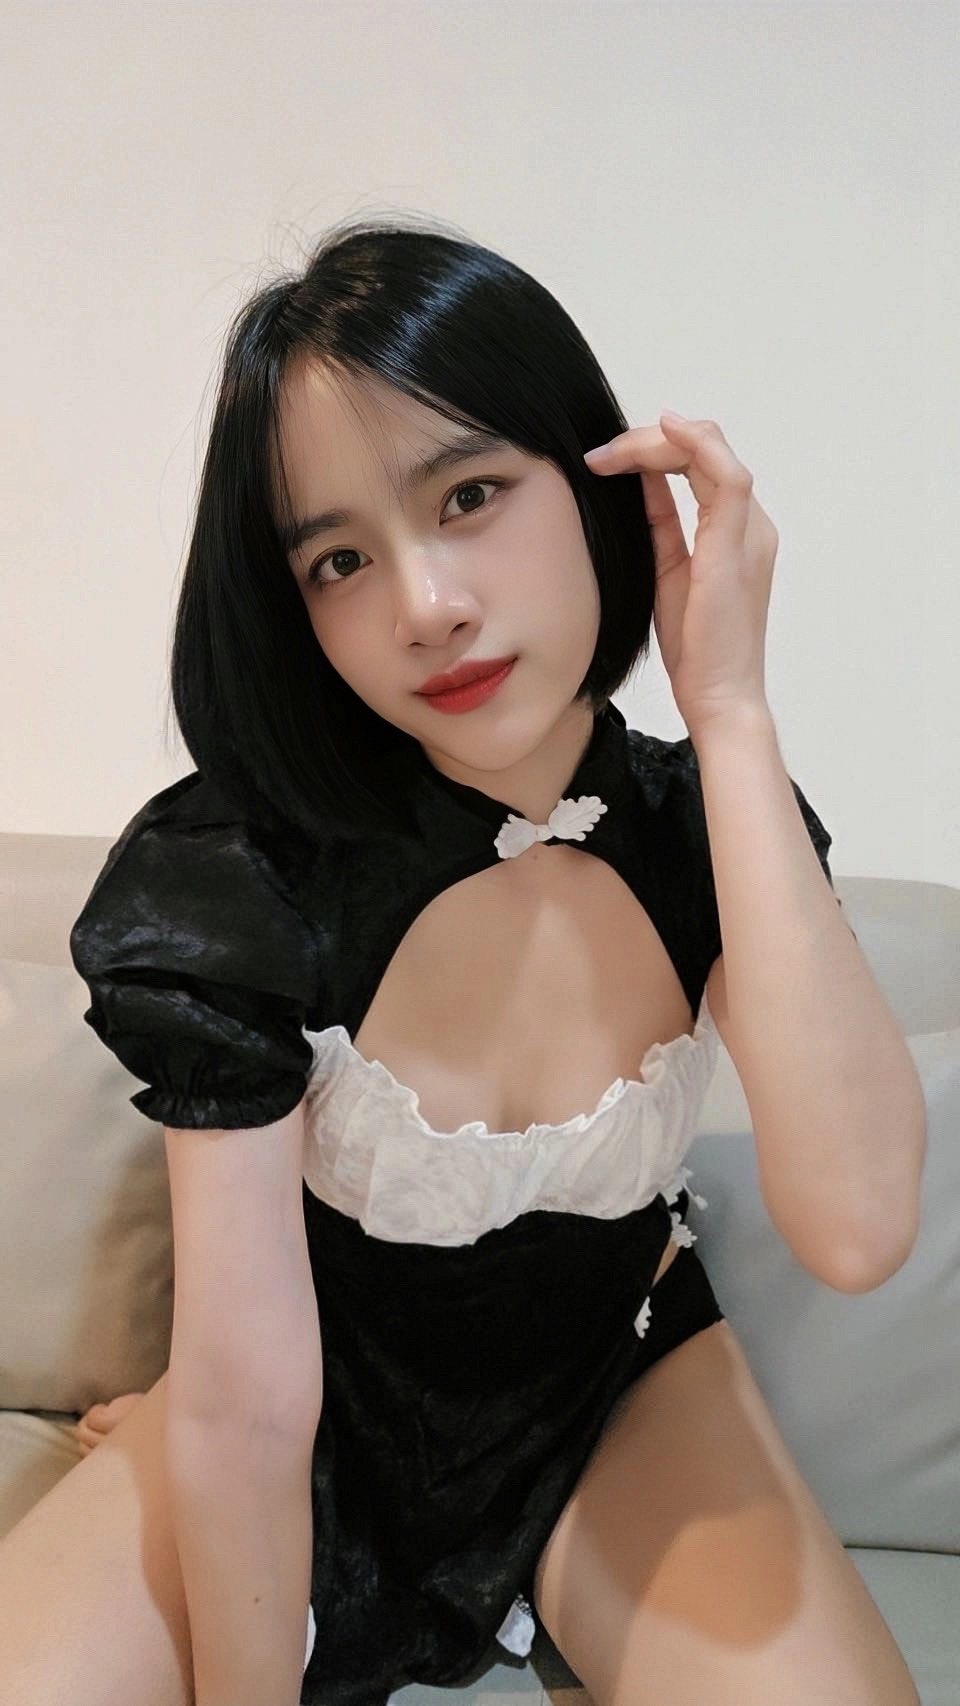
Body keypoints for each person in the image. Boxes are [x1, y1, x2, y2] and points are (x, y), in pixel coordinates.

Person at [3, 213, 921, 1706]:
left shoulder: (708, 829)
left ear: (600, 482)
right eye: (340, 560)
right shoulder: (235, 876)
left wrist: (735, 711)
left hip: (617, 1388)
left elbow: (863, 1225)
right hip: (300, 1405)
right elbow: (250, 1397)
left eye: (472, 493)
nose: (425, 606)